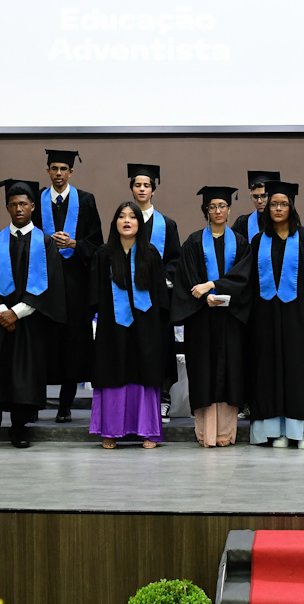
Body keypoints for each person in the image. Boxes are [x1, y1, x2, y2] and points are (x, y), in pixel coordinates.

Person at [0, 180, 65, 451]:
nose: (18, 209)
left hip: (29, 320)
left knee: (24, 374)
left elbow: (51, 285)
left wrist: (17, 312)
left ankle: (19, 429)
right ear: (7, 208)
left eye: (23, 204)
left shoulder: (45, 244)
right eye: (13, 205)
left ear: (33, 206)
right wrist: (1, 311)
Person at [246, 181, 304, 448]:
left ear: (292, 207)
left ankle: (303, 432)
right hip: (266, 319)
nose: (278, 208)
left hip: (300, 319)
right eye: (274, 204)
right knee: (269, 371)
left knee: (300, 372)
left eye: (284, 204)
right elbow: (250, 284)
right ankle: (275, 431)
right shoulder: (258, 241)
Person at [171, 187, 252, 447]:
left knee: (230, 374)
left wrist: (215, 287)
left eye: (222, 206)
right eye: (212, 206)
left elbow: (244, 277)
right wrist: (204, 296)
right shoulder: (193, 242)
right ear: (206, 210)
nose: (218, 211)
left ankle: (226, 434)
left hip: (231, 318)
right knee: (203, 372)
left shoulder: (241, 243)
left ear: (229, 209)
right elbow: (186, 278)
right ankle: (205, 433)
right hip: (201, 319)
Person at [89, 202, 171, 448]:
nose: (127, 221)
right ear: (115, 222)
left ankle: (148, 430)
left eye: (132, 217)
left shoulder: (150, 254)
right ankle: (110, 430)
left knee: (144, 371)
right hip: (112, 326)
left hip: (145, 326)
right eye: (122, 216)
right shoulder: (103, 254)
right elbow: (94, 295)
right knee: (112, 370)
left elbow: (160, 295)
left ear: (139, 223)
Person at [39, 149, 103, 423]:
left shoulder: (86, 201)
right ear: (48, 171)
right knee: (42, 343)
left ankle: (65, 405)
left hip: (76, 285)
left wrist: (75, 244)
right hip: (44, 284)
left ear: (71, 172)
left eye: (63, 169)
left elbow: (97, 244)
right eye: (54, 168)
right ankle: (34, 402)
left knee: (72, 344)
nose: (59, 173)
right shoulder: (37, 201)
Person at [128, 163, 182, 423]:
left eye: (146, 185)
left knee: (160, 346)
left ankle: (163, 398)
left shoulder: (167, 224)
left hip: (159, 298)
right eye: (137, 185)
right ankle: (135, 399)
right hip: (129, 297)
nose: (142, 189)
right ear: (132, 188)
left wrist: (160, 280)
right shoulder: (124, 221)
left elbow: (174, 260)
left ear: (153, 190)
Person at [233, 170, 281, 243]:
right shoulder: (242, 223)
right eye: (255, 197)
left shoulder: (282, 222)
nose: (259, 201)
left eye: (263, 196)